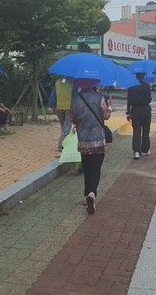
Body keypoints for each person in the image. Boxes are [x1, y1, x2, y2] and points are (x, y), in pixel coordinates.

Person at [71, 78, 111, 214]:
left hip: (83, 141)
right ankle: (92, 194)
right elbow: (106, 116)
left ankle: (87, 194)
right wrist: (109, 108)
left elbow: (72, 119)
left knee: (87, 168)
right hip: (98, 141)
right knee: (96, 169)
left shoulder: (75, 100)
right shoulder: (100, 97)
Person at [126, 72, 152, 159]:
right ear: (144, 76)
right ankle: (145, 150)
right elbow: (149, 99)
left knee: (136, 132)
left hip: (135, 110)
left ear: (136, 76)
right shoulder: (146, 86)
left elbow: (129, 100)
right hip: (145, 110)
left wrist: (127, 111)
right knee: (146, 131)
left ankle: (137, 152)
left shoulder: (131, 86)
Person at [47, 77, 74, 150]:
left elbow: (53, 94)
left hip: (59, 107)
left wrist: (50, 106)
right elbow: (75, 96)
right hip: (69, 108)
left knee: (64, 127)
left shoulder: (58, 82)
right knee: (67, 127)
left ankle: (65, 142)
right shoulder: (72, 82)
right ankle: (61, 144)